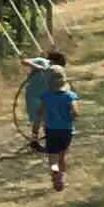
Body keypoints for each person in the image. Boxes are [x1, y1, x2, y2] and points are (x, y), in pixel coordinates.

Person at [19, 47, 78, 192]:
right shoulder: (67, 94)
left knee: (53, 158)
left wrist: (34, 134)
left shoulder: (46, 96)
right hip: (66, 130)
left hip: (50, 127)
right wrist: (69, 119)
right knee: (62, 155)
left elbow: (38, 118)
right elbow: (76, 112)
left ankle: (55, 171)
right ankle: (61, 176)